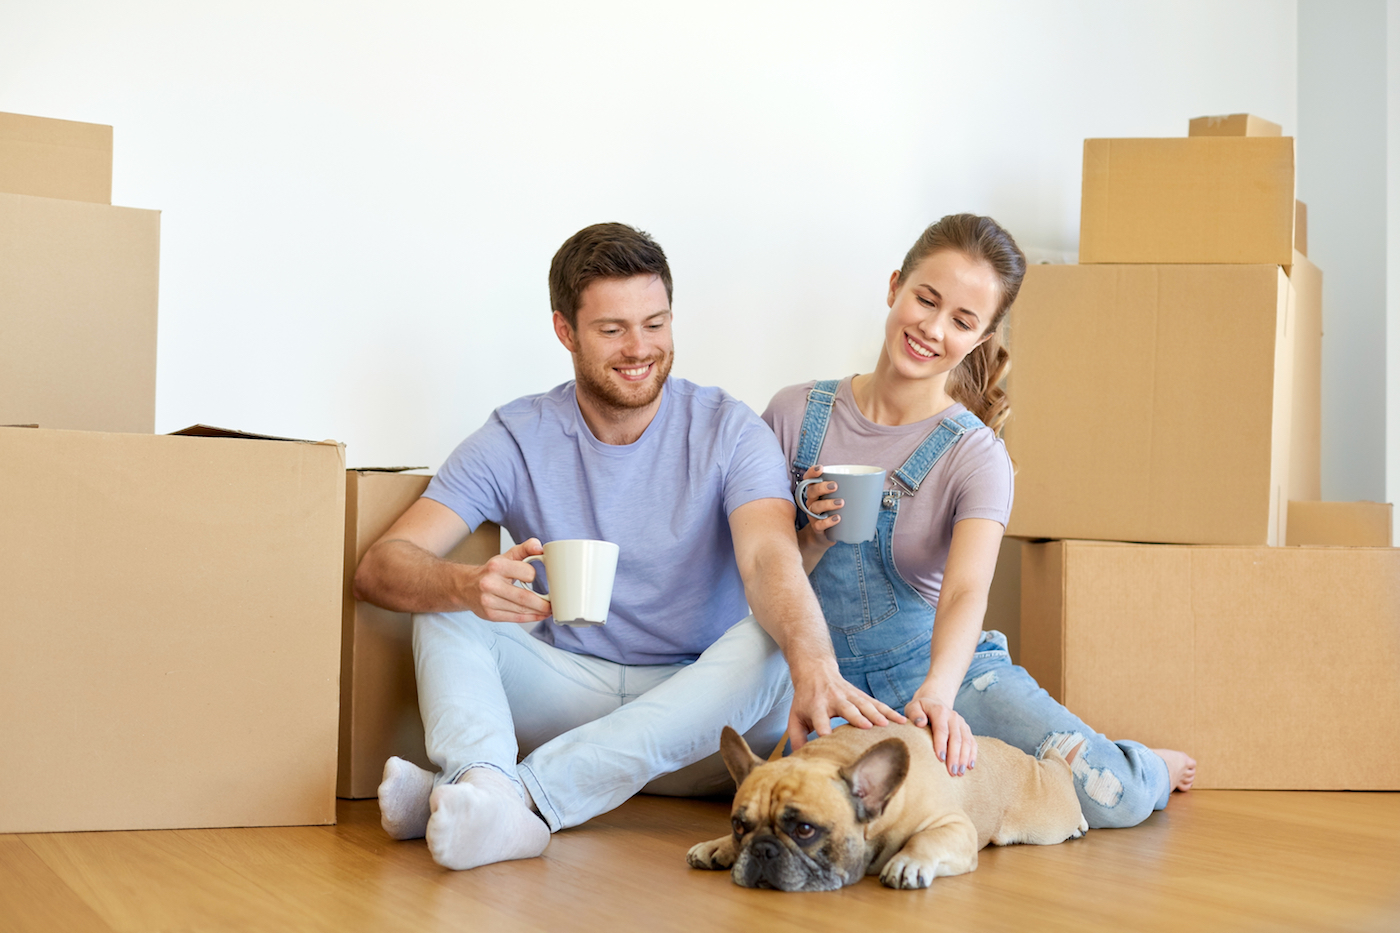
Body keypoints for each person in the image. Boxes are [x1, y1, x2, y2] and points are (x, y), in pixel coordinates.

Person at [352, 222, 902, 872]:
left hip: (705, 720)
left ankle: (514, 798)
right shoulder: (517, 434)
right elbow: (381, 566)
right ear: (565, 331)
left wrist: (814, 663)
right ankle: (482, 781)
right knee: (443, 606)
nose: (640, 347)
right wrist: (467, 585)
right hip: (572, 697)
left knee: (773, 641)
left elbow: (767, 559)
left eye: (656, 323)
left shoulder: (729, 429)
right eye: (613, 329)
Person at [761, 213, 1195, 829]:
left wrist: (937, 692)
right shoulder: (794, 414)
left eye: (962, 321)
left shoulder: (975, 455)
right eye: (925, 299)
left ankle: (1144, 764)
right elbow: (760, 570)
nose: (932, 329)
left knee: (1110, 795)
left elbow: (967, 590)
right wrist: (812, 536)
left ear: (981, 337)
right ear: (894, 287)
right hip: (812, 674)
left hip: (939, 673)